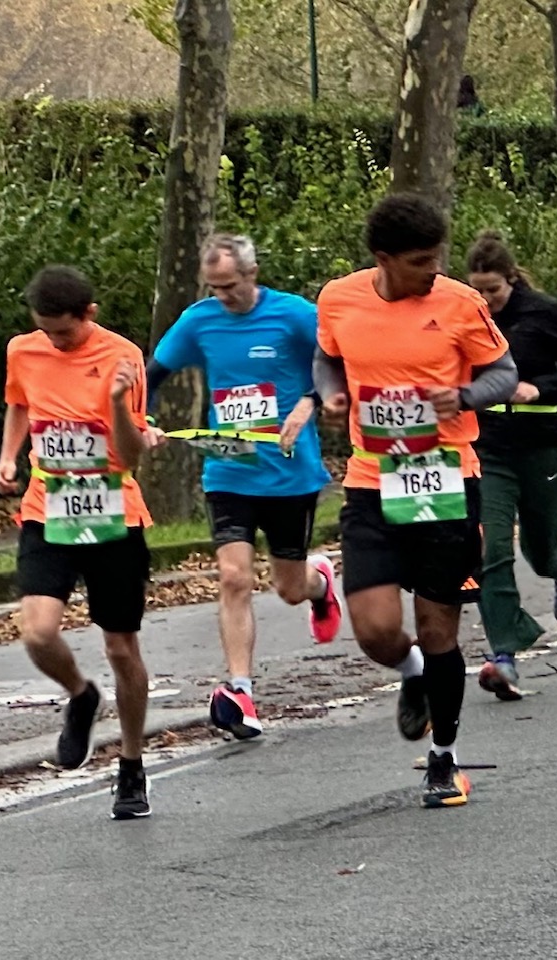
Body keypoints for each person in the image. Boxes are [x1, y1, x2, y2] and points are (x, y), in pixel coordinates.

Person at [314, 194, 517, 807]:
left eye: (437, 258)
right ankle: (412, 679)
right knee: (376, 631)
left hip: (448, 481)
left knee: (438, 629)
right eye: (420, 261)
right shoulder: (338, 299)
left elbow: (503, 373)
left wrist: (468, 395)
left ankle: (443, 759)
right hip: (372, 482)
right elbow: (326, 361)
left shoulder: (460, 303)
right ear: (384, 259)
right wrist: (331, 396)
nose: (433, 270)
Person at [146, 234, 341, 741]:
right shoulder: (199, 320)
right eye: (214, 288)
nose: (223, 297)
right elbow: (154, 373)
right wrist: (139, 417)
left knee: (290, 590)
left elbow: (338, 364)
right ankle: (240, 689)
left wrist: (309, 403)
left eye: (230, 287)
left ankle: (320, 581)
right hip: (228, 471)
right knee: (234, 577)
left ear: (252, 275)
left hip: (289, 472)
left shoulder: (294, 315)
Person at [0, 266, 154, 819]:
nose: (55, 342)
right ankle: (81, 696)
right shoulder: (24, 351)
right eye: (46, 332)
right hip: (47, 508)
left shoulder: (123, 357)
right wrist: (9, 457)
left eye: (64, 333)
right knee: (36, 632)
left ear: (90, 314)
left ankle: (131, 766)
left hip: (112, 513)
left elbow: (131, 456)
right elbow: (19, 404)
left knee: (121, 648)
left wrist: (115, 404)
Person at [465, 232, 557, 701]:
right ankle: (504, 656)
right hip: (489, 451)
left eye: (492, 290)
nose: (486, 300)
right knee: (490, 549)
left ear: (511, 280)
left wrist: (538, 389)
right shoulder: (467, 320)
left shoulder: (544, 313)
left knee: (540, 550)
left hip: (540, 449)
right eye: (477, 290)